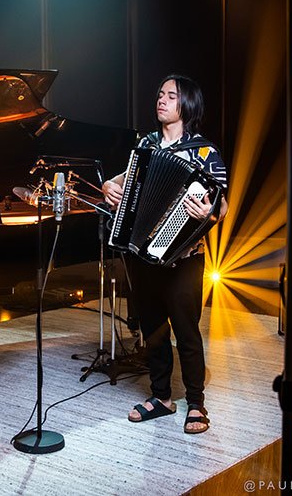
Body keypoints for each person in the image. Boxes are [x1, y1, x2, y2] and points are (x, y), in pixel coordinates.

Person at [102, 74, 228, 434]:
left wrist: (209, 213)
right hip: (145, 255)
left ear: (186, 104)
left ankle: (196, 403)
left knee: (186, 331)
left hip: (185, 258)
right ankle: (161, 397)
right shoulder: (146, 145)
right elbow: (121, 180)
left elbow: (223, 205)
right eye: (160, 94)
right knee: (153, 330)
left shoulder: (204, 152)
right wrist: (109, 185)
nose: (161, 100)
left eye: (171, 96)